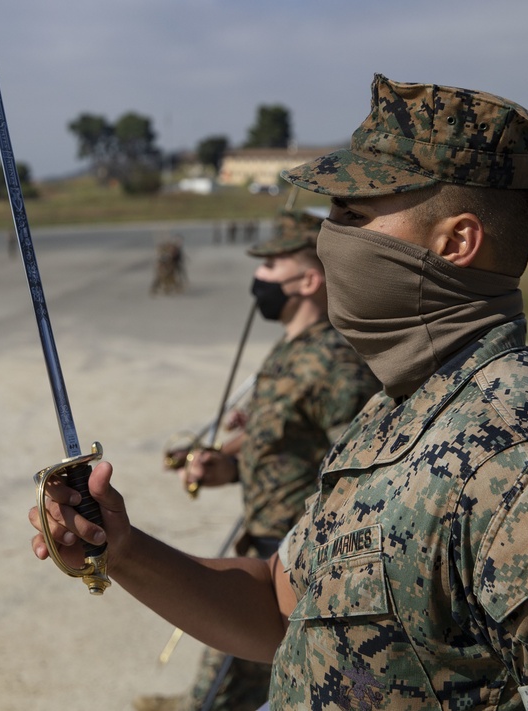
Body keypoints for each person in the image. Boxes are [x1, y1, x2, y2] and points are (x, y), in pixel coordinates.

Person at [30, 75, 528, 710]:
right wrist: (122, 547)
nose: (330, 240)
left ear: (456, 241)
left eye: (353, 214)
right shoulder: (394, 412)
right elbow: (281, 609)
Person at [137, 209, 381, 711]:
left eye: (270, 267)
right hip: (266, 546)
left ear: (310, 279)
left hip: (300, 565)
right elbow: (277, 448)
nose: (258, 278)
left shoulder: (336, 364)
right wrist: (223, 466)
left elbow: (363, 477)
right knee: (229, 678)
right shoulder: (289, 352)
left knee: (233, 685)